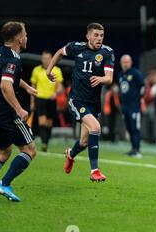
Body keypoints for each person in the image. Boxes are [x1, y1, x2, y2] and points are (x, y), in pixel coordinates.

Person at [46, 22, 114, 182]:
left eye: (101, 35)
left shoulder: (107, 52)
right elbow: (59, 53)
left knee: (84, 141)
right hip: (77, 99)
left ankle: (70, 154)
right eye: (96, 35)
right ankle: (95, 171)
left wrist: (101, 79)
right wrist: (49, 70)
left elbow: (109, 78)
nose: (99, 38)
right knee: (96, 127)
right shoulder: (76, 47)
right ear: (88, 36)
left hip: (94, 102)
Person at [0, 21, 38, 202]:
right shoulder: (13, 59)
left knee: (4, 152)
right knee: (29, 149)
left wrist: (27, 87)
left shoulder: (2, 54)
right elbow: (5, 84)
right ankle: (4, 183)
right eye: (26, 34)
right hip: (6, 114)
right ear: (19, 39)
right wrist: (19, 108)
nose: (27, 37)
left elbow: (11, 78)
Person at [30, 50, 64, 152]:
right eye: (44, 58)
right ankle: (44, 143)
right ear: (41, 59)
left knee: (49, 123)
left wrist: (57, 92)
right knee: (42, 122)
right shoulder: (36, 70)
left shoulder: (57, 70)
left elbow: (60, 86)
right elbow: (33, 86)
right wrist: (32, 102)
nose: (45, 60)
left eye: (48, 58)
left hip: (51, 100)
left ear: (51, 59)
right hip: (40, 99)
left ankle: (46, 142)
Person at [118, 54, 145, 157]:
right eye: (123, 62)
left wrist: (139, 98)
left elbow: (142, 86)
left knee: (135, 128)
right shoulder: (120, 75)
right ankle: (133, 148)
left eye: (127, 62)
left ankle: (137, 149)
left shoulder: (135, 73)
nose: (125, 64)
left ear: (131, 62)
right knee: (129, 128)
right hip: (125, 106)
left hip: (134, 106)